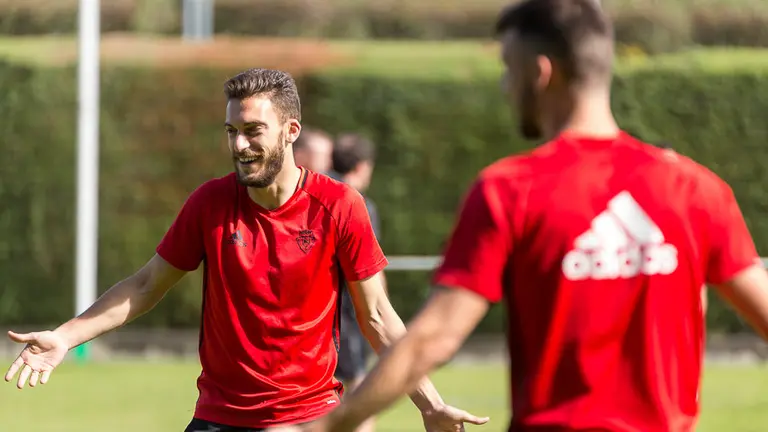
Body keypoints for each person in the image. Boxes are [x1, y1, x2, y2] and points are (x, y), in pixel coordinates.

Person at [280, 1, 768, 431]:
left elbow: (435, 336)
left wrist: (325, 429)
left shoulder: (510, 190)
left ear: (541, 72)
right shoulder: (695, 188)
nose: (504, 86)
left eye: (508, 70)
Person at [3, 68, 487, 432]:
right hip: (217, 419)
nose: (239, 145)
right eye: (232, 132)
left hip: (307, 421)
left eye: (253, 131)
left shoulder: (340, 206)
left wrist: (429, 403)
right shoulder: (209, 203)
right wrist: (66, 336)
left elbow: (379, 317)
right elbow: (146, 284)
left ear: (290, 131)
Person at [327, 133, 381, 432]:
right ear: (362, 167)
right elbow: (372, 275)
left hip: (315, 317)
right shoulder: (358, 203)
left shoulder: (314, 192)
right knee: (361, 394)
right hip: (349, 316)